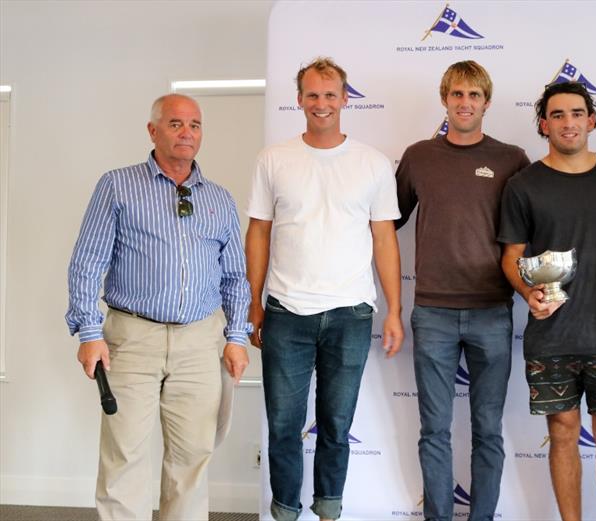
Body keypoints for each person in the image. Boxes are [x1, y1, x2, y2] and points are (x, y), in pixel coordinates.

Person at [65, 93, 252, 521]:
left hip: (200, 342)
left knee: (193, 458)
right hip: (132, 339)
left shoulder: (219, 199)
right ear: (153, 130)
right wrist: (90, 333)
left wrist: (236, 337)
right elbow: (88, 262)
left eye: (195, 125)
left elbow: (234, 277)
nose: (186, 133)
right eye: (175, 124)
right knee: (124, 456)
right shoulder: (117, 185)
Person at [245, 57, 403, 521]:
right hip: (285, 312)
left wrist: (393, 310)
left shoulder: (372, 163)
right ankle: (286, 512)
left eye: (330, 94)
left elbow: (384, 239)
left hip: (350, 315)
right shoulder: (273, 159)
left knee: (336, 426)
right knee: (283, 426)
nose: (321, 103)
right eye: (312, 95)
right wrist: (253, 302)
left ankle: (329, 511)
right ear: (298, 100)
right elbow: (258, 231)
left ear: (345, 99)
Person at [394, 60, 529, 521]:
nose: (465, 103)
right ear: (445, 99)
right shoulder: (418, 156)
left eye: (474, 95)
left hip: (493, 310)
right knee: (434, 429)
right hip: (431, 311)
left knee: (488, 429)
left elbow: (532, 227)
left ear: (486, 102)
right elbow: (385, 220)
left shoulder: (512, 158)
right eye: (456, 94)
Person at [498, 81, 596, 521]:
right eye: (557, 115)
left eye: (577, 113)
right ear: (544, 125)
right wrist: (528, 291)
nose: (568, 122)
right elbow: (511, 258)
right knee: (562, 436)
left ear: (592, 120)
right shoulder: (523, 186)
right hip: (551, 336)